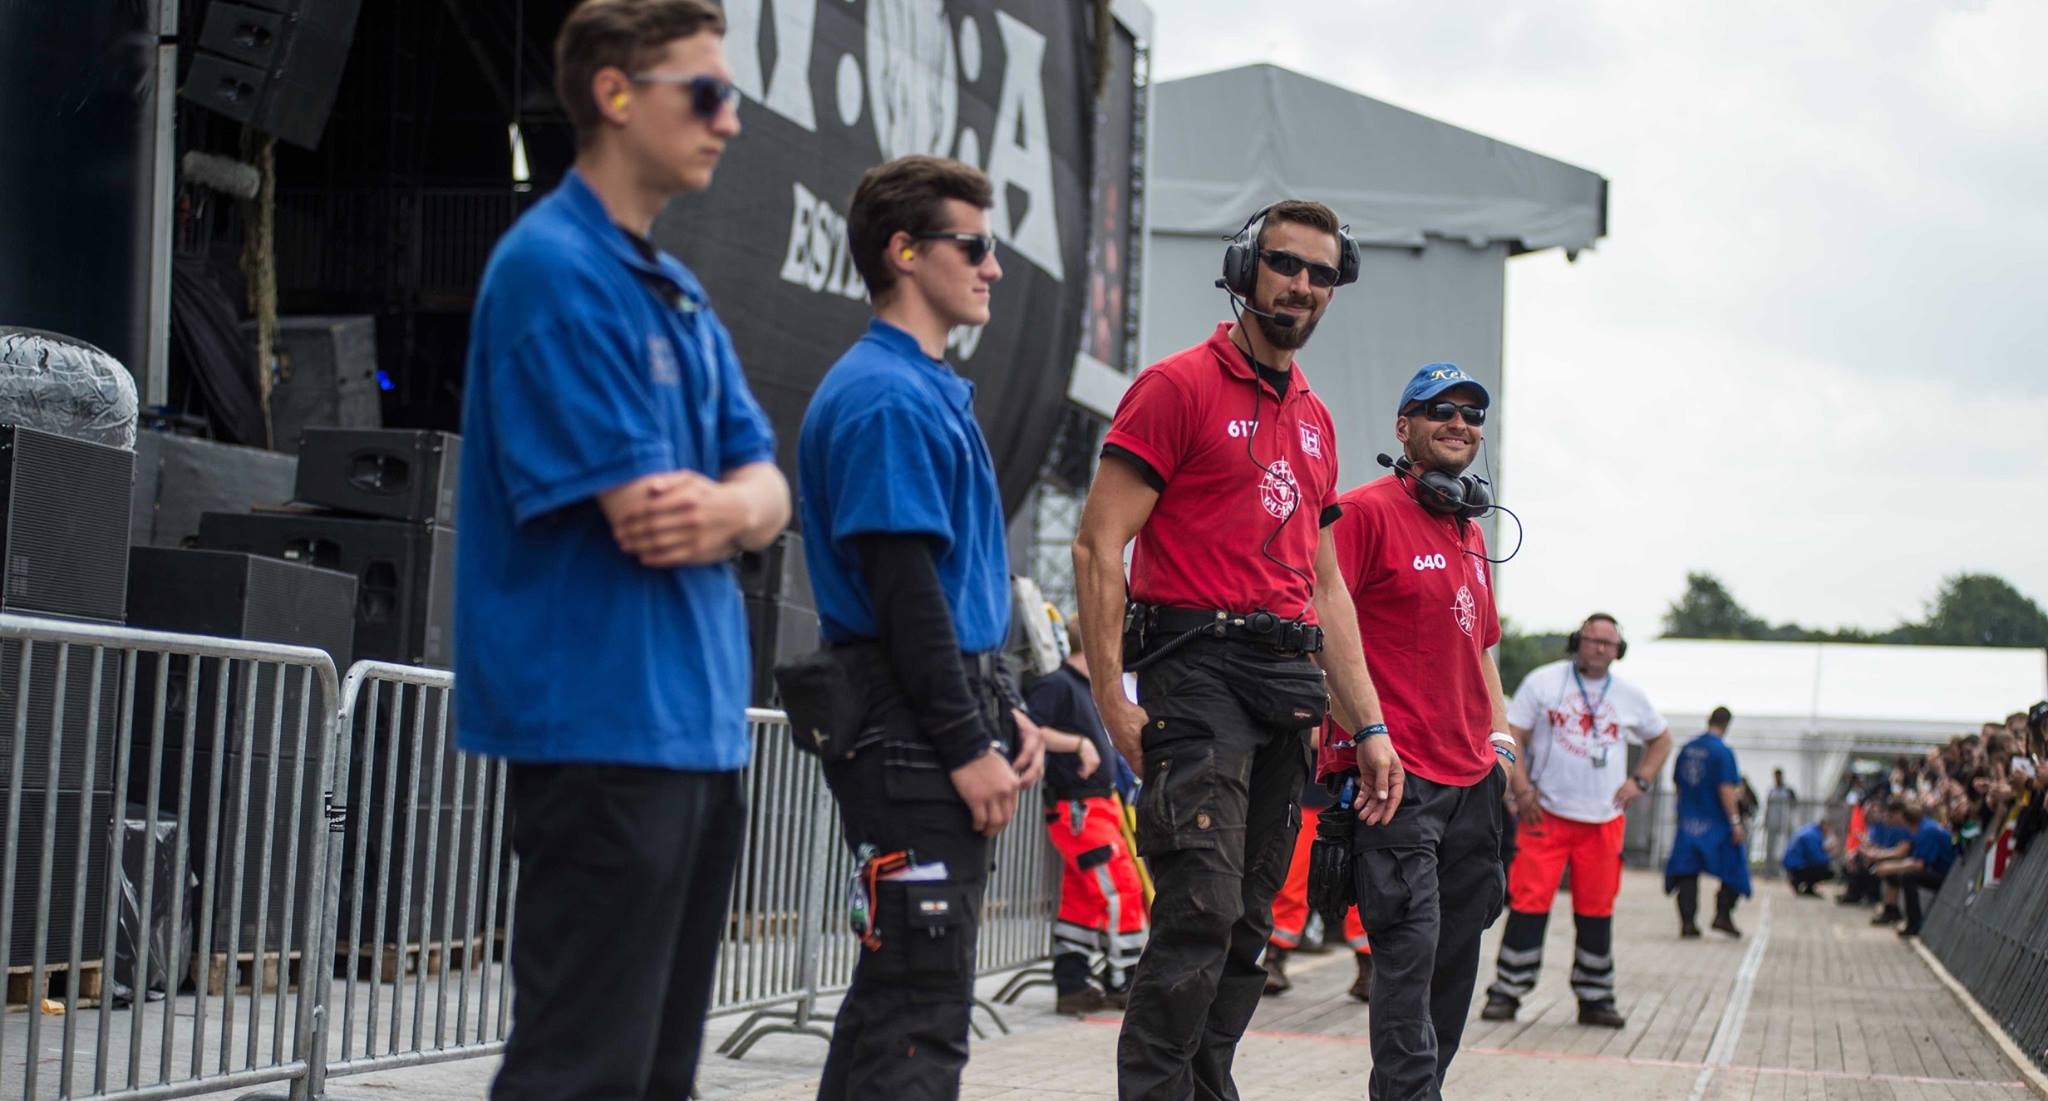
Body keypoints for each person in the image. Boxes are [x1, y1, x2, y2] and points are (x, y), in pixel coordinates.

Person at [455, 3, 790, 1097]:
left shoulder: (675, 291)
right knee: (580, 1070)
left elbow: (765, 487)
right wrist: (741, 502)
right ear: (613, 94)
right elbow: (650, 515)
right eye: (705, 93)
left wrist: (737, 508)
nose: (728, 121)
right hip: (603, 735)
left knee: (652, 1076)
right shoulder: (552, 269)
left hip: (688, 738)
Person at [1072, 199, 1395, 1101]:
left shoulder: (1319, 421)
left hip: (1286, 688)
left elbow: (1327, 588)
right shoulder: (1177, 386)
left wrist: (1367, 723)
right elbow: (1100, 546)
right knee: (1199, 911)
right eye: (1286, 264)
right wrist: (1112, 697)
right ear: (1245, 264)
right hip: (1196, 673)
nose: (1302, 285)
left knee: (1251, 924)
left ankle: (1205, 1088)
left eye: (1322, 273)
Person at [797, 154, 1047, 1100]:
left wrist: (1005, 707)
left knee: (893, 998)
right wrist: (964, 740)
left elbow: (953, 584)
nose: (991, 267)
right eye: (973, 245)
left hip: (929, 717)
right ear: (904, 251)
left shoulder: (923, 387)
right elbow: (905, 595)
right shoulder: (887, 397)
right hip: (908, 730)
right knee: (921, 1015)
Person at [1315, 360, 1513, 1096]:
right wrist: (1364, 732)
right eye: (1441, 410)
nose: (1460, 424)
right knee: (1409, 954)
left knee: (1456, 961)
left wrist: (1502, 744)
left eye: (1471, 414)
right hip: (1399, 782)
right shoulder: (1362, 513)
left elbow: (1480, 647)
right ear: (1405, 428)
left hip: (1473, 784)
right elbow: (1324, 631)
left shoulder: (1465, 528)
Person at [1481, 613, 1672, 1029]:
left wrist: (1640, 780)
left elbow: (1661, 737)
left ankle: (1596, 997)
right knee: (1529, 902)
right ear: (1576, 642)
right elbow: (1513, 733)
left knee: (1596, 909)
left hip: (1603, 819)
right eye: (1592, 640)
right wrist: (1522, 787)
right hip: (1545, 813)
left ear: (1619, 650)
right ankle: (1507, 990)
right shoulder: (1543, 682)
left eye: (1608, 642)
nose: (1600, 648)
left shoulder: (1629, 695)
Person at [1026, 612, 1150, 1016]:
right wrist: (1077, 743)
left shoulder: (1090, 689)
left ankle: (1073, 980)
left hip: (1098, 805)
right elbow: (1028, 728)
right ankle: (1126, 977)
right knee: (1121, 889)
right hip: (1078, 807)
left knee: (1083, 899)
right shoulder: (1058, 684)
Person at [1265, 775, 1372, 1001]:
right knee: (1293, 880)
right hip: (1313, 791)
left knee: (1364, 884)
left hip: (1364, 794)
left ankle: (1369, 970)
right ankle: (1274, 958)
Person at [1664, 707, 1752, 937]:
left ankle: (1688, 922)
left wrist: (1683, 813)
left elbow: (1679, 785)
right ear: (1727, 724)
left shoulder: (1688, 748)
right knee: (1735, 866)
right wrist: (1735, 821)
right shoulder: (1722, 752)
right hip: (1717, 822)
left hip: (1689, 821)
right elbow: (1726, 788)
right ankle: (1723, 915)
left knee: (1686, 869)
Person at [1873, 802, 1956, 936]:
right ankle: (1892, 910)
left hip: (1946, 875)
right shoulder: (1925, 826)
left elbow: (1919, 864)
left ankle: (1913, 924)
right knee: (1898, 874)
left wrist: (1890, 867)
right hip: (1938, 870)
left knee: (1908, 876)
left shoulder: (1927, 831)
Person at [1780, 819, 1834, 896]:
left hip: (1793, 864)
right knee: (1828, 872)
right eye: (1829, 828)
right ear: (1825, 826)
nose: (1829, 831)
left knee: (1821, 867)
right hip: (1797, 866)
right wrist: (1831, 854)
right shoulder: (1813, 835)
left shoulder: (1810, 831)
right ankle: (1798, 880)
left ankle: (1805, 886)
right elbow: (1817, 858)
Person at [1763, 768, 1798, 873]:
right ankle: (1770, 869)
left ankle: (1786, 869)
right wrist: (1766, 820)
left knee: (1785, 846)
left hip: (1785, 823)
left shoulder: (1788, 790)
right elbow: (1768, 807)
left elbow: (1795, 805)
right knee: (1771, 847)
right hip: (1773, 822)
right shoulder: (1772, 791)